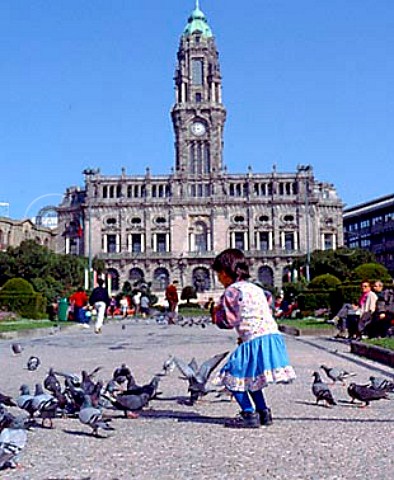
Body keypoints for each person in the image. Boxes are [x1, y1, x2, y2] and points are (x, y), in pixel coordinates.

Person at [211, 248, 296, 429]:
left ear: (226, 273)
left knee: (231, 375)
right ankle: (263, 412)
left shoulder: (232, 291)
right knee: (250, 378)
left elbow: (228, 321)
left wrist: (216, 313)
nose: (218, 279)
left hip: (255, 339)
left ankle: (249, 413)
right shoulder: (258, 289)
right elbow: (264, 308)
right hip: (270, 337)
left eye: (219, 274)